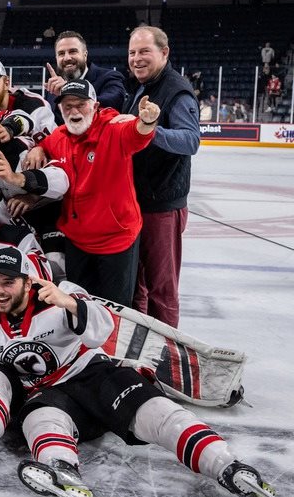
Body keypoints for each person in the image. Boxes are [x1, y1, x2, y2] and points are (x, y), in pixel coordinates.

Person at [0, 247, 286, 497]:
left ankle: (228, 467)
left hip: (93, 376)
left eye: (8, 282)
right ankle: (62, 471)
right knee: (39, 419)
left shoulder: (60, 294)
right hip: (47, 395)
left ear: (27, 282)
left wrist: (71, 304)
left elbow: (103, 329)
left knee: (157, 413)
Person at [25, 78, 158, 307]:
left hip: (116, 240)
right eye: (68, 106)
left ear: (95, 106)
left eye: (81, 104)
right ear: (60, 109)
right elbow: (47, 144)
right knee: (80, 304)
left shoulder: (113, 129)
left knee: (115, 310)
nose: (74, 111)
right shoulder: (59, 136)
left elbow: (137, 134)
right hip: (77, 241)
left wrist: (148, 121)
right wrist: (38, 148)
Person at [126, 26, 198, 327]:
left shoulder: (176, 90)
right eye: (132, 53)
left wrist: (150, 129)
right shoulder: (142, 87)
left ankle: (166, 360)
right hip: (137, 203)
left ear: (164, 53)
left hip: (162, 208)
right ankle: (139, 353)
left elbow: (190, 140)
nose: (136, 59)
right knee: (136, 286)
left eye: (144, 51)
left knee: (161, 290)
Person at [45, 31, 127, 113]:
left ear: (85, 55)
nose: (67, 58)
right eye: (61, 53)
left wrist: (69, 91)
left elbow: (113, 104)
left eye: (73, 51)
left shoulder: (110, 77)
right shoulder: (54, 89)